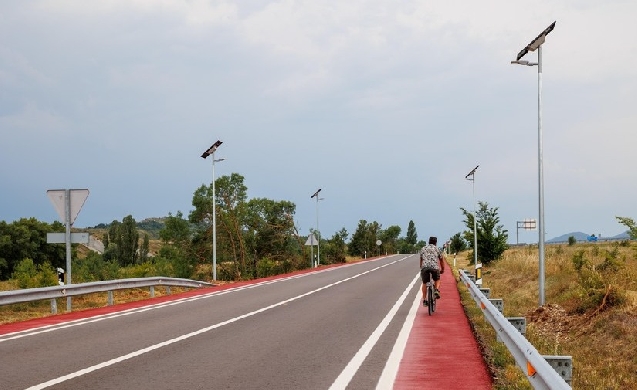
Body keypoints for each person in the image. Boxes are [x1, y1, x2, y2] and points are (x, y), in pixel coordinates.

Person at [419, 236, 445, 305]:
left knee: (424, 283)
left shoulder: (423, 248)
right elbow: (441, 260)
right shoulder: (437, 249)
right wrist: (442, 269)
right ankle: (436, 290)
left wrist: (421, 267)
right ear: (436, 243)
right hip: (434, 268)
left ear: (429, 241)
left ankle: (424, 300)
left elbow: (421, 259)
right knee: (437, 279)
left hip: (425, 268)